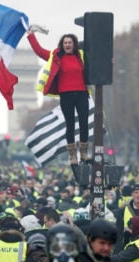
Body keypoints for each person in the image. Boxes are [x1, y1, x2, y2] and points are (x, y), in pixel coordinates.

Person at [27, 27, 90, 165]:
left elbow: (97, 62)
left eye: (70, 42)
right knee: (70, 125)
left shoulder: (81, 55)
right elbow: (39, 51)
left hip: (81, 93)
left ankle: (84, 153)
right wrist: (31, 35)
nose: (67, 45)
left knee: (84, 123)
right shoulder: (55, 55)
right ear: (62, 44)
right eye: (65, 42)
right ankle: (73, 155)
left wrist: (110, 61)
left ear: (74, 44)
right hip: (66, 94)